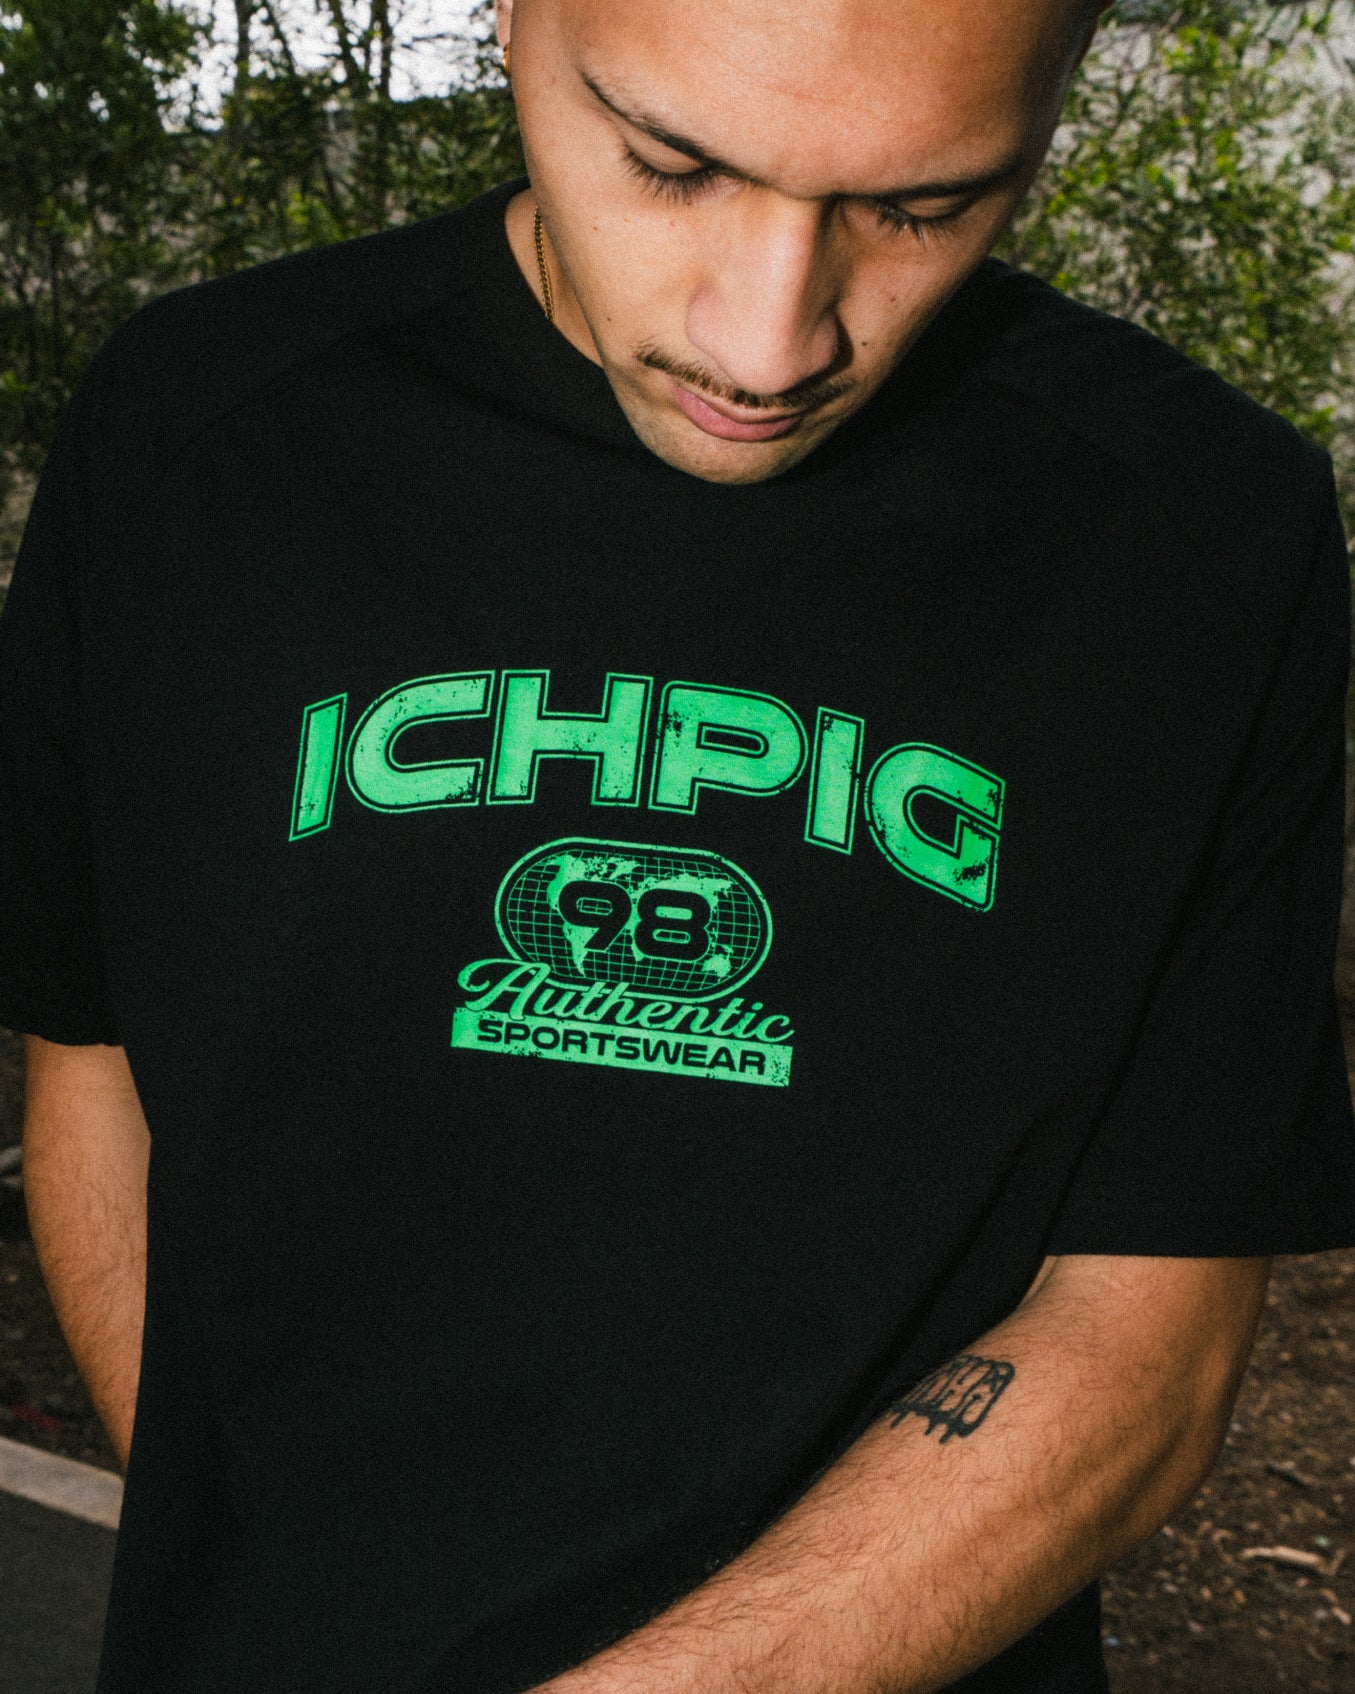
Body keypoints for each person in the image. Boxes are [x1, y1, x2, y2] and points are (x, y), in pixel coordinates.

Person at [2, 0, 1352, 1688]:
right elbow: (96, 1064)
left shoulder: (1201, 544)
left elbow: (1149, 1342)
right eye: (669, 163)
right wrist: (272, 1603)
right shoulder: (193, 432)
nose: (768, 343)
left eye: (920, 206)